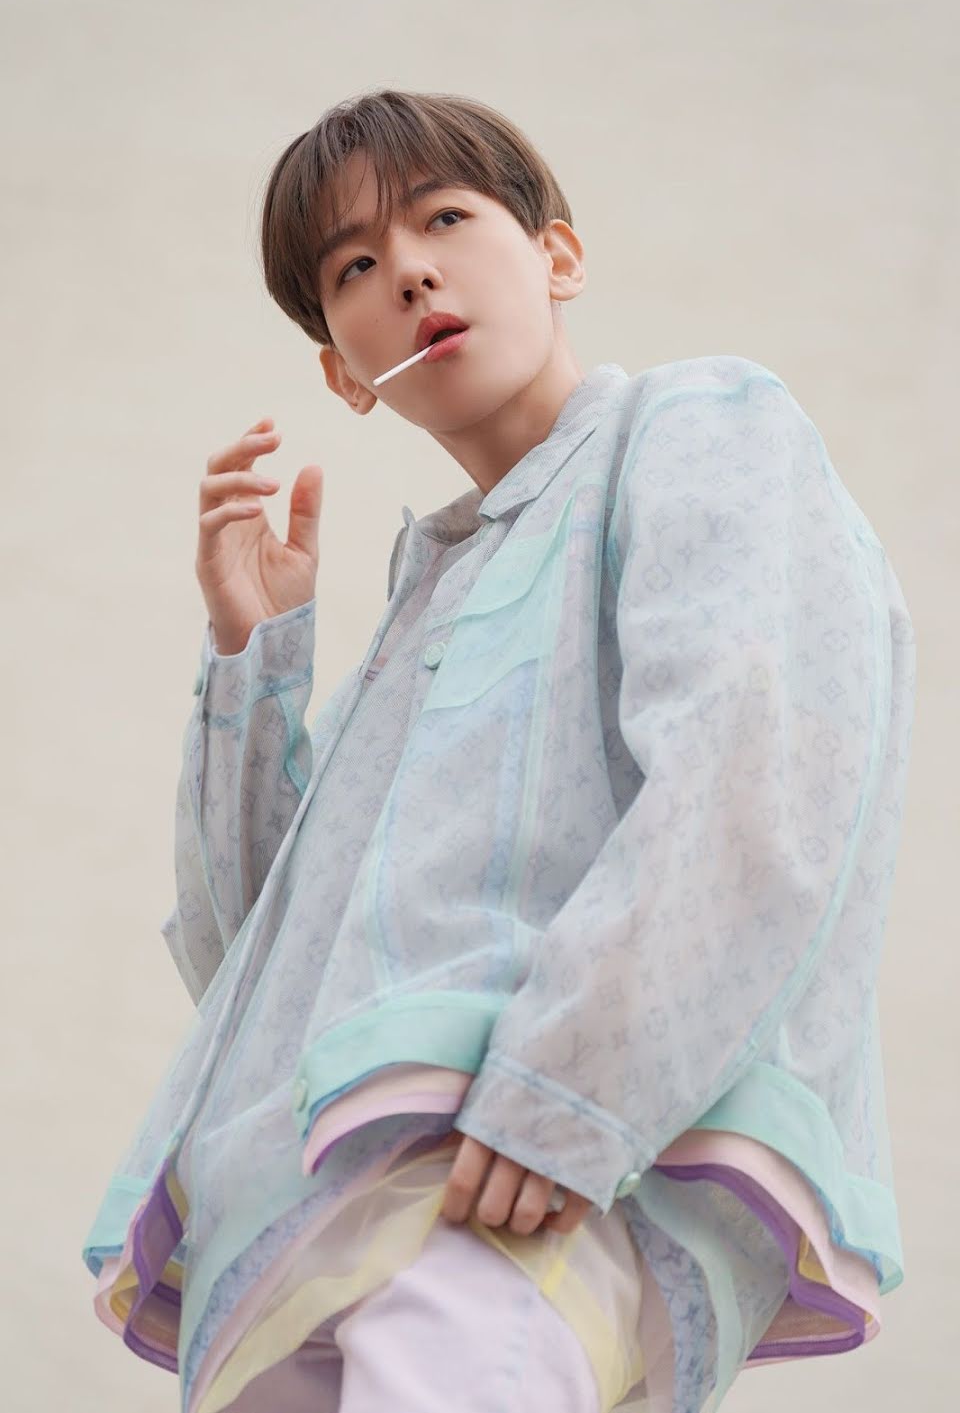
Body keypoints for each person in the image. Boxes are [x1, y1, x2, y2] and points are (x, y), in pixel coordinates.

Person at [81, 89, 916, 1413]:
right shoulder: (425, 610)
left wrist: (572, 1089)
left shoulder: (699, 426)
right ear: (344, 373)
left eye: (447, 220)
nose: (410, 272)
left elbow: (755, 769)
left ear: (558, 256)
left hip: (520, 1177)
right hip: (307, 1209)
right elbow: (257, 962)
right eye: (355, 268)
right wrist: (253, 655)